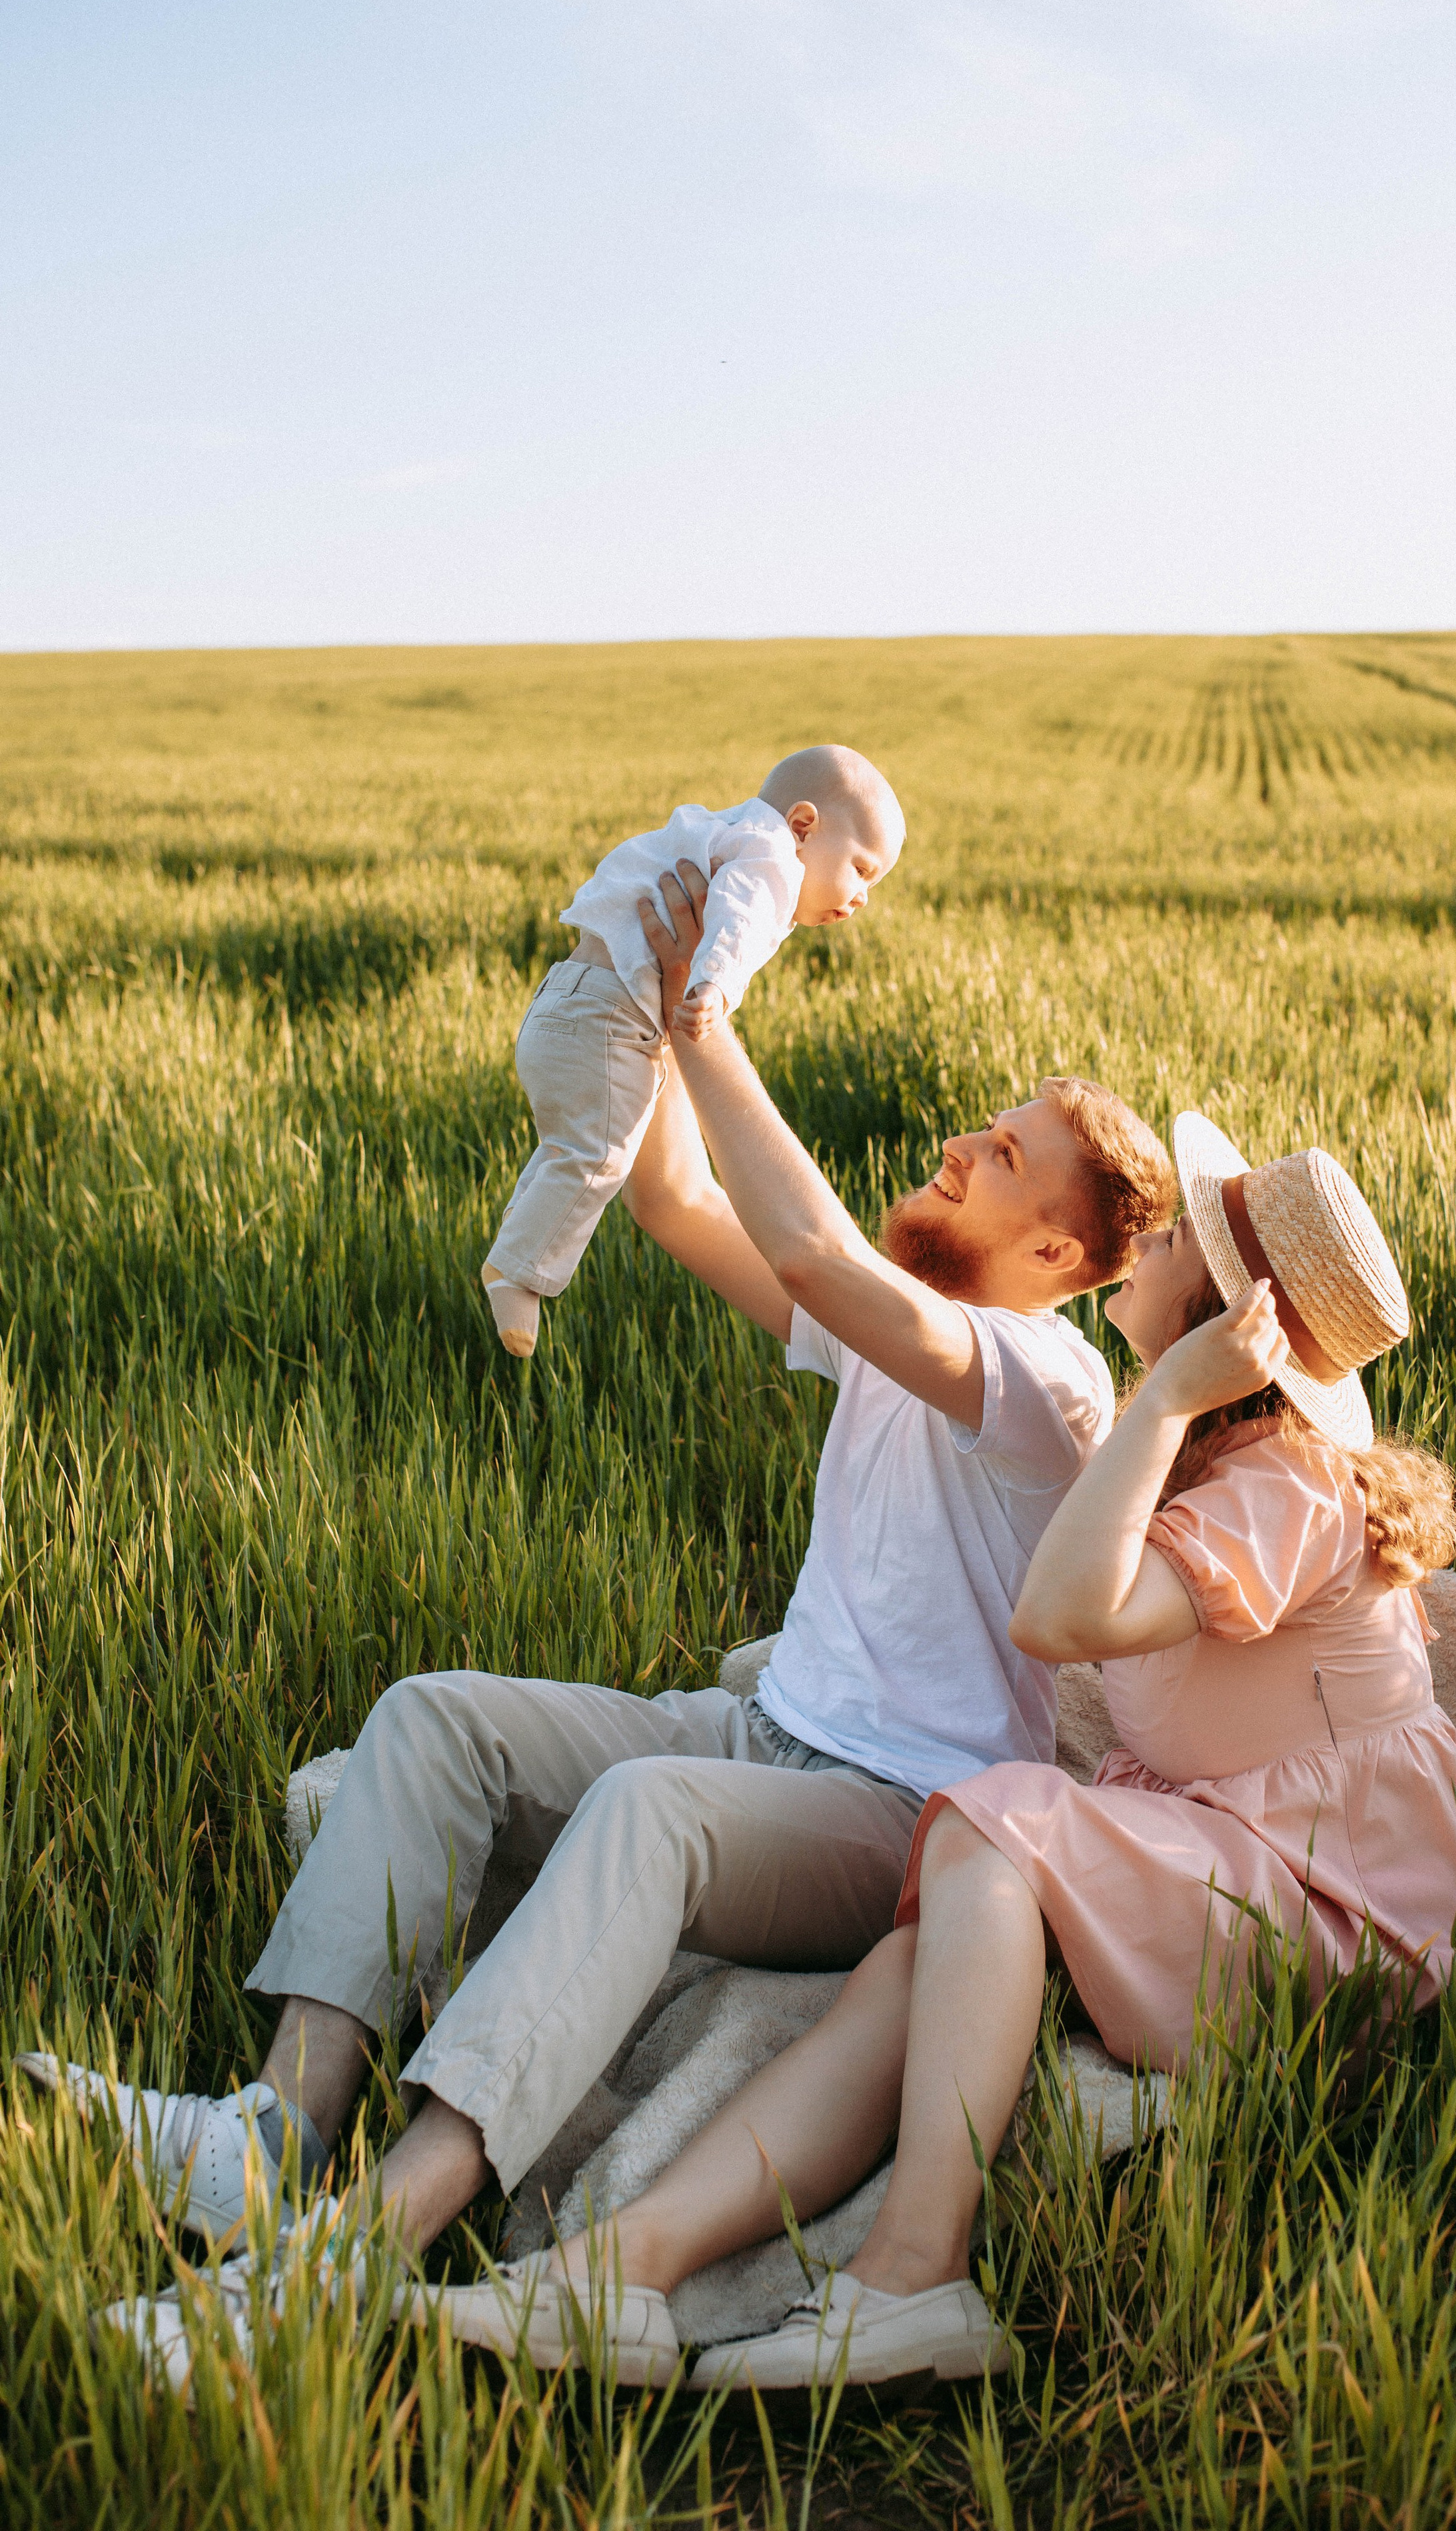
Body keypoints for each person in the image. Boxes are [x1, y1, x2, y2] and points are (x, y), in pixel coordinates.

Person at [25, 866, 1172, 2390]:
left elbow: (818, 1252)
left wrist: (709, 1009)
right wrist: (638, 1004)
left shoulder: (1045, 1382)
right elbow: (679, 1198)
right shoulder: (899, 1328)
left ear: (1054, 1255)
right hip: (755, 1736)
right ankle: (274, 2131)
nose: (962, 1140)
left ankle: (351, 2251)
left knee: (640, 1809)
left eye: (1004, 1149)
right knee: (436, 1714)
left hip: (891, 1808)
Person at [424, 1111, 1456, 2392]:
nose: (1138, 1252)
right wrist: (1162, 1411)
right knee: (917, 1958)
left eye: (1171, 1244)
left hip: (1331, 1901)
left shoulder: (1288, 1482)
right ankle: (618, 2276)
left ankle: (911, 2277)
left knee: (998, 1826)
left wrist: (1162, 1396)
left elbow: (1058, 1620)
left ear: (1224, 1320)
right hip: (1233, 1853)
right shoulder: (1202, 1457)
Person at [482, 743, 906, 1357]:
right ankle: (519, 1272)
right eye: (862, 869)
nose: (862, 896)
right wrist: (711, 988)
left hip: (568, 996)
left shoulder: (722, 831)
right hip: (610, 1016)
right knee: (600, 1151)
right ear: (804, 826)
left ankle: (518, 1238)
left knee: (571, 1143)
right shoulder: (772, 859)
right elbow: (736, 921)